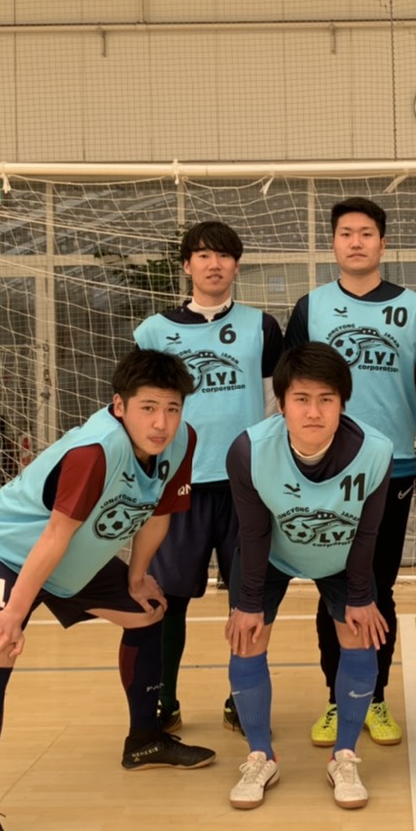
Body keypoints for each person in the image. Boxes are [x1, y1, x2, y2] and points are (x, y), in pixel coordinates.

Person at [0, 350, 216, 831]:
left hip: (71, 559)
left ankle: (144, 741)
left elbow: (158, 515)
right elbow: (53, 535)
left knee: (149, 611)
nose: (161, 423)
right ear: (119, 406)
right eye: (147, 408)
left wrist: (137, 577)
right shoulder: (95, 452)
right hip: (6, 552)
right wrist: (13, 615)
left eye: (171, 408)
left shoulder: (183, 441)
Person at [284, 197, 416, 749]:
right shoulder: (311, 307)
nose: (355, 241)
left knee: (379, 588)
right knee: (333, 585)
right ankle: (335, 697)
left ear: (382, 244)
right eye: (346, 232)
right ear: (333, 243)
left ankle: (373, 696)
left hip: (392, 465)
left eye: (366, 233)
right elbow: (291, 383)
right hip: (324, 466)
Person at [223, 342, 393, 810]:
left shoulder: (376, 451)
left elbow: (368, 531)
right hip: (270, 556)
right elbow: (253, 531)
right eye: (301, 399)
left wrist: (360, 595)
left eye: (326, 399)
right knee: (247, 635)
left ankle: (345, 756)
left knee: (359, 633)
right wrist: (248, 603)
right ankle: (261, 755)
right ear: (281, 403)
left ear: (343, 403)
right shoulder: (248, 450)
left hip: (341, 557)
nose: (313, 412)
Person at [134, 221, 283, 737]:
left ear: (236, 265)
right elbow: (141, 409)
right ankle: (164, 701)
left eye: (223, 255)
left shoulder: (262, 326)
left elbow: (274, 401)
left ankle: (241, 698)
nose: (213, 264)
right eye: (202, 255)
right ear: (187, 265)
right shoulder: (153, 331)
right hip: (179, 486)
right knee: (166, 599)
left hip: (245, 485)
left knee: (249, 598)